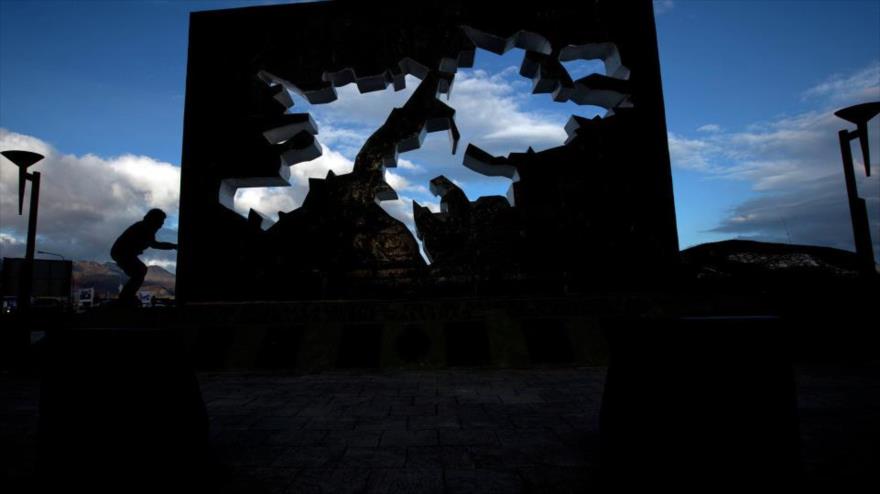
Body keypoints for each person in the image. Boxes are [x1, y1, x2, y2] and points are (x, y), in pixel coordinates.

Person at [111, 209, 177, 306]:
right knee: (140, 271)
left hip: (122, 253)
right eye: (161, 222)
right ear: (154, 220)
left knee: (139, 271)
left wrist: (173, 246)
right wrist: (173, 246)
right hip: (122, 252)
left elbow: (153, 244)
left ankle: (126, 297)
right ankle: (126, 298)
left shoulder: (145, 227)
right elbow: (155, 245)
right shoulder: (144, 228)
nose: (161, 225)